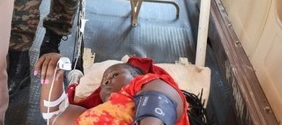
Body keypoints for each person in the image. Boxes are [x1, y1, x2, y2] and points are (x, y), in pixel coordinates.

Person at [35, 53, 190, 124]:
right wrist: (53, 74)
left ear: (136, 77)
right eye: (103, 81)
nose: (107, 81)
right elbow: (54, 114)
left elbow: (160, 101)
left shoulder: (152, 84)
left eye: (114, 74)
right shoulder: (92, 113)